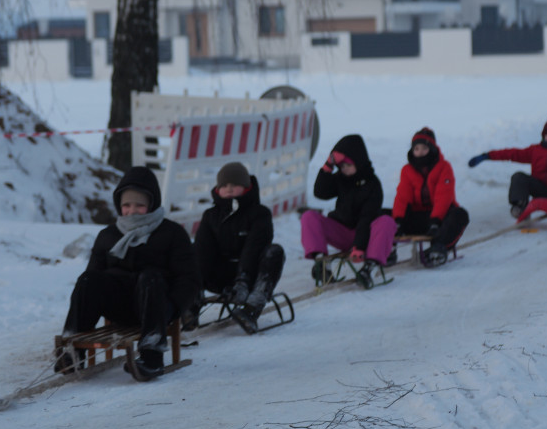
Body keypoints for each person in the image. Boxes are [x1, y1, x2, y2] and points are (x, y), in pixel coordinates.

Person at [55, 166, 201, 380]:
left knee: (150, 277)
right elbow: (93, 279)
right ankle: (72, 350)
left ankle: (152, 357)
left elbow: (190, 278)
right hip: (121, 306)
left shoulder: (172, 233)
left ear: (151, 204)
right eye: (127, 205)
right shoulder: (108, 235)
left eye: (139, 205)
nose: (132, 210)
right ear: (119, 206)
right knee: (88, 280)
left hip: (157, 305)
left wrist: (173, 308)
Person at [193, 162, 283, 333]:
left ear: (246, 187)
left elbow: (254, 247)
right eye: (224, 185)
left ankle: (251, 308)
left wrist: (243, 280)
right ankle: (192, 304)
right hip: (221, 275)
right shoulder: (211, 216)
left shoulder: (259, 213)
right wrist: (196, 279)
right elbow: (202, 252)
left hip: (251, 276)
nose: (229, 189)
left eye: (234, 185)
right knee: (193, 250)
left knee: (274, 252)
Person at [301, 134, 395, 289]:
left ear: (358, 161)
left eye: (348, 165)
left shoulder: (372, 184)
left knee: (386, 221)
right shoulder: (341, 178)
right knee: (309, 217)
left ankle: (369, 268)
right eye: (341, 166)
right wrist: (328, 166)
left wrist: (359, 245)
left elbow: (367, 217)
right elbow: (320, 192)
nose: (344, 170)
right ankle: (321, 263)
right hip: (344, 233)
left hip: (367, 237)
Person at [392, 127, 470, 266]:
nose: (419, 152)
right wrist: (398, 220)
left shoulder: (444, 167)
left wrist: (435, 221)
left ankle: (438, 248)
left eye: (423, 148)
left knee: (460, 214)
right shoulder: (407, 170)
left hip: (440, 219)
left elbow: (443, 196)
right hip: (419, 217)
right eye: (416, 149)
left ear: (432, 149)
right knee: (383, 216)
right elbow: (402, 196)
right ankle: (386, 251)